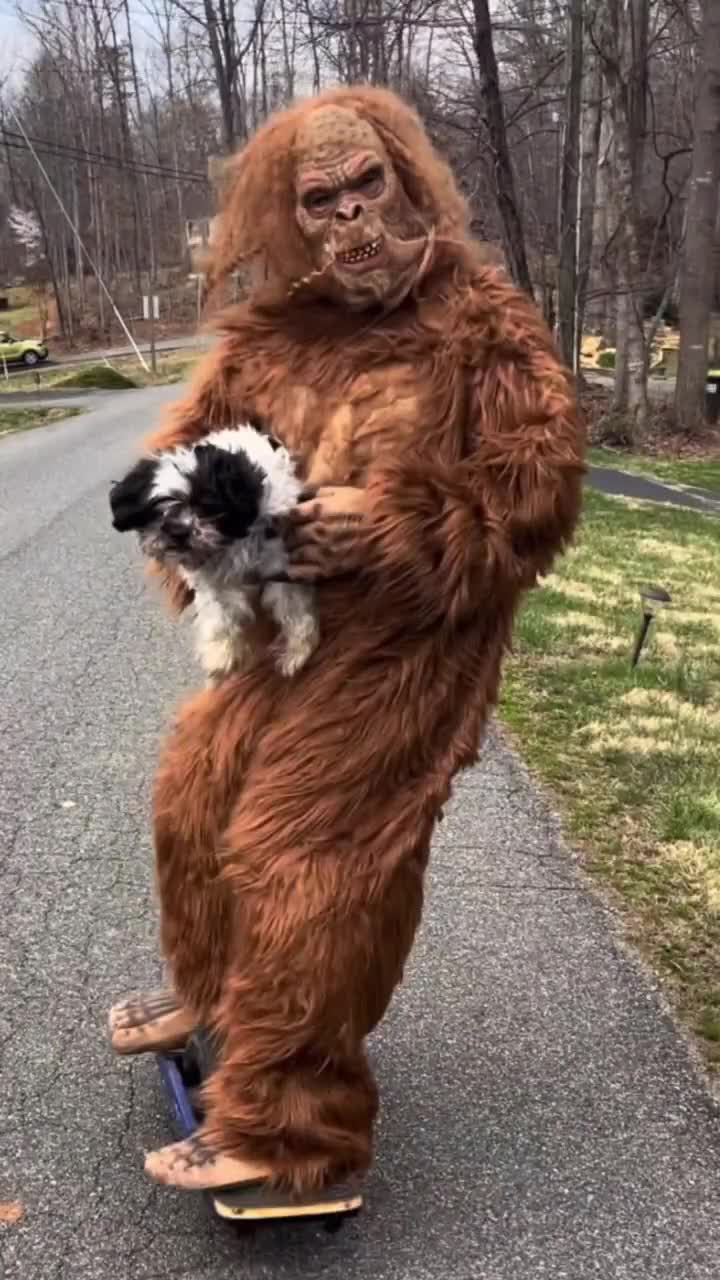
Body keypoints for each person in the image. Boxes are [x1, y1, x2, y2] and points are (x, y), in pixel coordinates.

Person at [108, 85, 584, 1196]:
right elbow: (184, 467)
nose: (352, 219)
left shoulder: (477, 318)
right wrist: (222, 536)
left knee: (305, 843)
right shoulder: (277, 335)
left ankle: (297, 1128)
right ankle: (221, 990)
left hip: (415, 646)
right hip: (291, 634)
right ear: (291, 218)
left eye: (368, 185)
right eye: (322, 200)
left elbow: (540, 492)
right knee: (195, 785)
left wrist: (401, 522)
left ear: (408, 180)